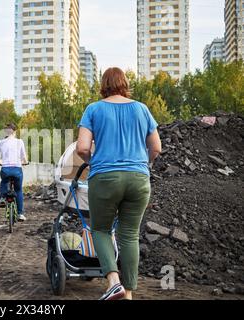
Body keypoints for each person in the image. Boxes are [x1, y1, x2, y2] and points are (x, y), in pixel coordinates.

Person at [76, 67, 161, 300]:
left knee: (101, 230)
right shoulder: (142, 109)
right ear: (125, 83)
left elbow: (82, 148)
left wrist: (94, 163)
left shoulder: (93, 109)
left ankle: (113, 282)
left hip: (104, 178)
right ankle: (129, 293)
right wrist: (145, 165)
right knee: (130, 235)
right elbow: (156, 148)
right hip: (138, 179)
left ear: (103, 85)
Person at [0, 123, 28, 222]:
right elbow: (24, 158)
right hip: (17, 169)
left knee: (4, 182)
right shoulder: (20, 142)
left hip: (5, 168)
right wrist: (25, 162)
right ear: (15, 131)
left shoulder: (1, 142)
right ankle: (20, 214)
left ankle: (2, 198)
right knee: (18, 190)